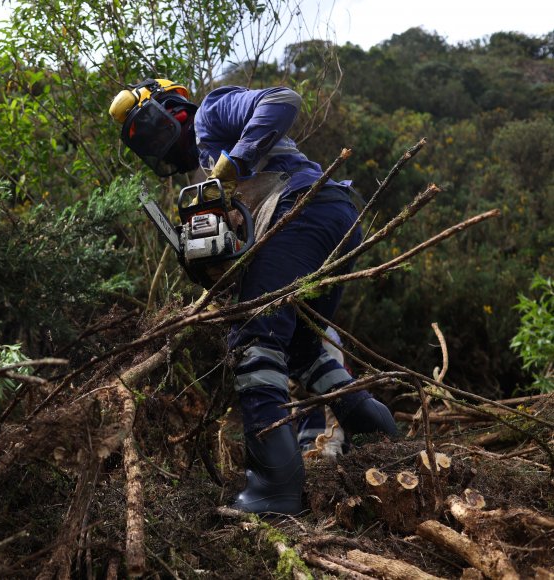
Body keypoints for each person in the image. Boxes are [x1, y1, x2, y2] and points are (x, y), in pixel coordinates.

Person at [109, 79, 398, 515]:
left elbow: (282, 100)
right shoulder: (203, 171)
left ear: (171, 109)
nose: (158, 145)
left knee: (251, 340)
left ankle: (272, 488)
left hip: (305, 208)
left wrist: (235, 163)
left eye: (151, 129)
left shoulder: (211, 112)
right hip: (330, 218)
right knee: (301, 348)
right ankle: (380, 435)